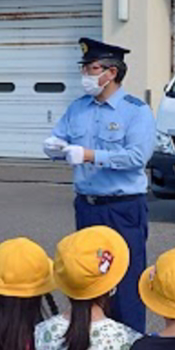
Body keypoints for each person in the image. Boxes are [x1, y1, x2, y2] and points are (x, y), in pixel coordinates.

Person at [45, 38, 157, 332]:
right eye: (83, 69)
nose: (85, 75)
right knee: (87, 276)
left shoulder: (136, 111)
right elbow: (61, 138)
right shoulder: (78, 108)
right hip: (88, 205)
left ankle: (130, 342)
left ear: (111, 72)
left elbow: (137, 157)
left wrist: (90, 155)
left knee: (127, 281)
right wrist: (54, 147)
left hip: (122, 208)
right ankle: (89, 338)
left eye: (92, 69)